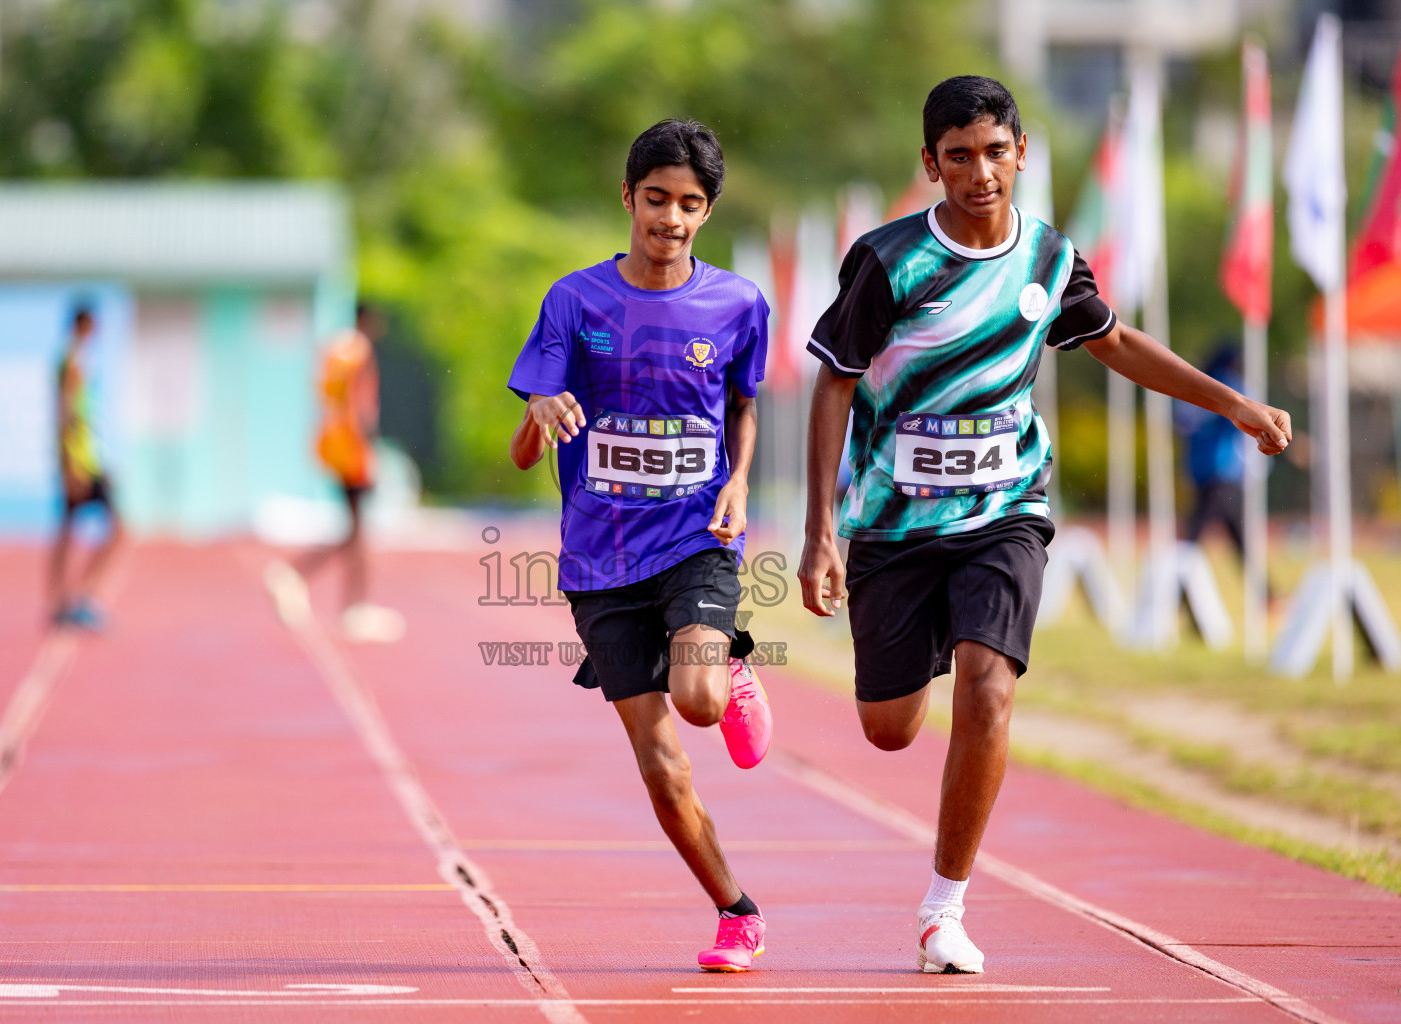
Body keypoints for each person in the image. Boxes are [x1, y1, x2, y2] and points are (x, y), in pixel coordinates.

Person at [798, 76, 1292, 975]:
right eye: (958, 156)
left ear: (1022, 153)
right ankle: (935, 631)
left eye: (994, 151)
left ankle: (943, 909)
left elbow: (1115, 342)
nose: (979, 172)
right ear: (930, 164)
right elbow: (834, 380)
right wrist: (822, 532)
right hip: (895, 524)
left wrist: (1233, 404)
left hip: (1004, 513)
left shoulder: (1051, 259)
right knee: (889, 728)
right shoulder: (890, 260)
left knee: (988, 690)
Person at [507, 119, 774, 972]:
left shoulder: (738, 303)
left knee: (697, 703)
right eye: (656, 199)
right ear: (628, 198)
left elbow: (743, 404)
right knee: (662, 765)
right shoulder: (574, 302)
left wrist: (737, 482)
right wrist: (540, 414)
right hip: (599, 561)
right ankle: (737, 911)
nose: (671, 218)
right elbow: (531, 425)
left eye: (689, 204)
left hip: (697, 536)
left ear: (707, 211)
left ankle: (729, 666)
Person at [264, 303, 403, 643]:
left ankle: (335, 596)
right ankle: (329, 593)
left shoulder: (336, 350)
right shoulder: (360, 352)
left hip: (332, 439)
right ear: (368, 320)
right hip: (352, 445)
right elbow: (361, 403)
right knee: (357, 527)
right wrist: (370, 448)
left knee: (355, 526)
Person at [50, 304, 125, 630]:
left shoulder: (78, 361)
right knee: (115, 529)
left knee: (69, 530)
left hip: (87, 459)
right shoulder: (72, 363)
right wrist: (70, 466)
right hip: (80, 463)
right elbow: (66, 417)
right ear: (84, 325)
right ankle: (76, 598)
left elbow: (82, 420)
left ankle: (65, 599)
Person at [1180, 343, 1247, 559]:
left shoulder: (1196, 384)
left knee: (1229, 527)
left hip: (1199, 465)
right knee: (1198, 527)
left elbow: (1182, 423)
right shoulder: (1230, 386)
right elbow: (1239, 424)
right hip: (1222, 466)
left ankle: (1265, 586)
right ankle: (1176, 573)